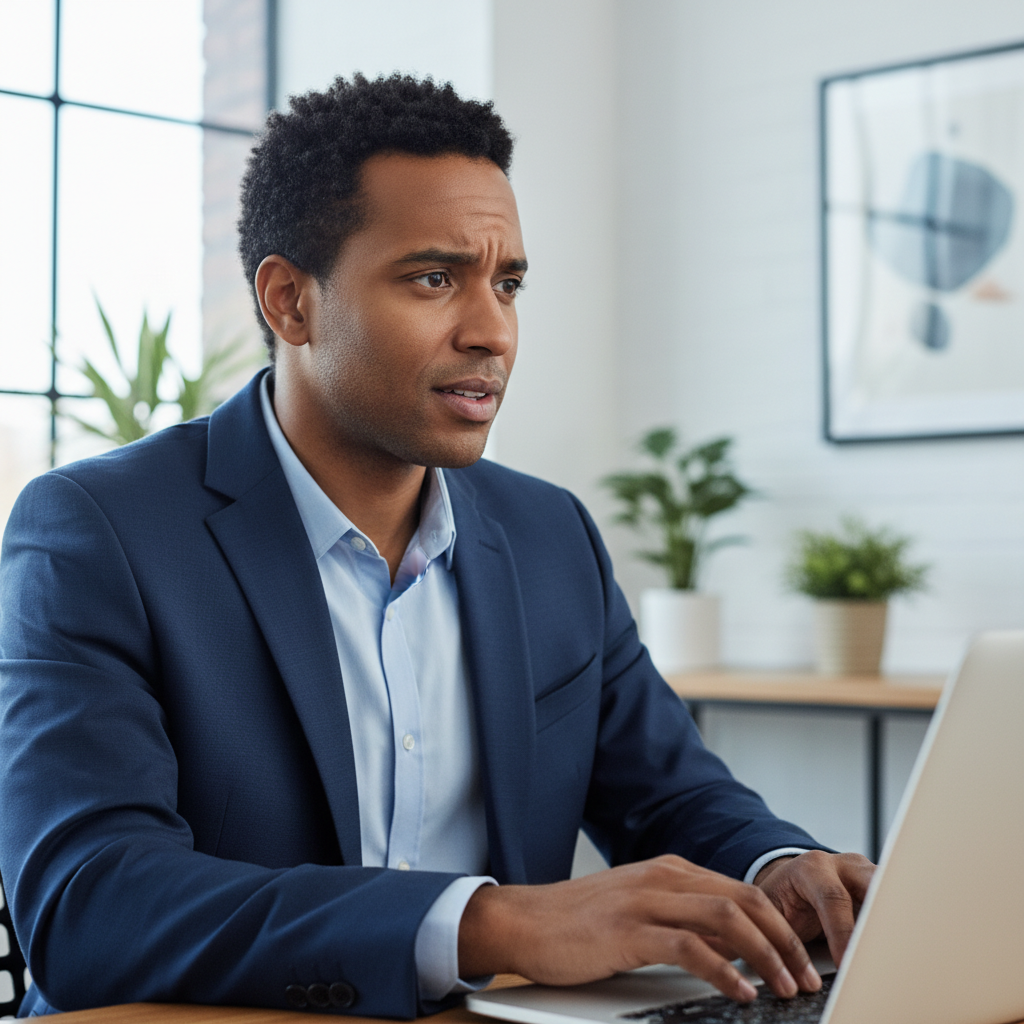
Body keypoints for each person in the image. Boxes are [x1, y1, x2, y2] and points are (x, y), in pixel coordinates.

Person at [0, 75, 872, 1019]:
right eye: (433, 278)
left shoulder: (549, 536)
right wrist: (489, 925)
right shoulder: (99, 530)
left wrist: (781, 868)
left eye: (507, 283)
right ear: (290, 302)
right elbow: (90, 905)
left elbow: (673, 795)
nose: (492, 330)